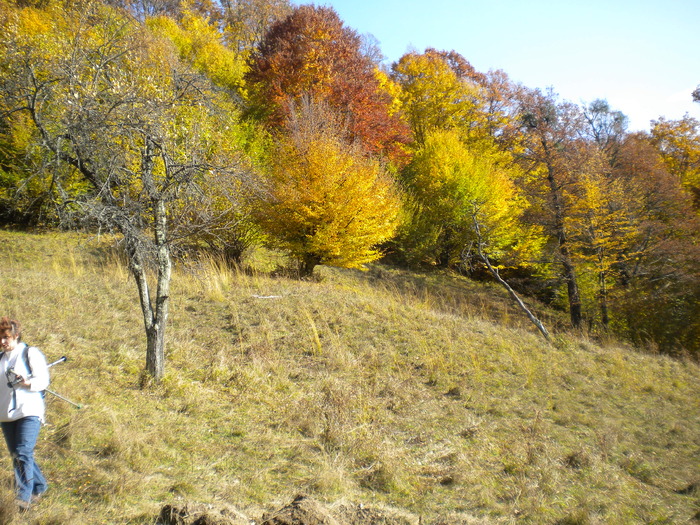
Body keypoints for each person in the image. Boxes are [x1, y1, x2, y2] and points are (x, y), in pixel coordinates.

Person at [0, 317, 49, 510]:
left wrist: (25, 382)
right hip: (6, 414)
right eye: (0, 338)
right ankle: (39, 486)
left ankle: (23, 498)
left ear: (16, 336)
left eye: (6, 337)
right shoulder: (0, 359)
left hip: (29, 411)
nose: (3, 342)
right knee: (17, 454)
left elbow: (43, 381)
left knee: (22, 452)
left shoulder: (30, 353)